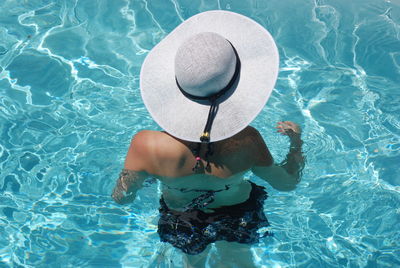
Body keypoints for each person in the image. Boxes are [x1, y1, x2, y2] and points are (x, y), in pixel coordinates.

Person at [112, 10, 305, 268]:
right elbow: (286, 183)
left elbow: (122, 197)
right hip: (238, 213)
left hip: (181, 217)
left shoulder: (146, 145)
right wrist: (296, 143)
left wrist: (145, 174)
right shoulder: (247, 141)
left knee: (193, 261)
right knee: (238, 260)